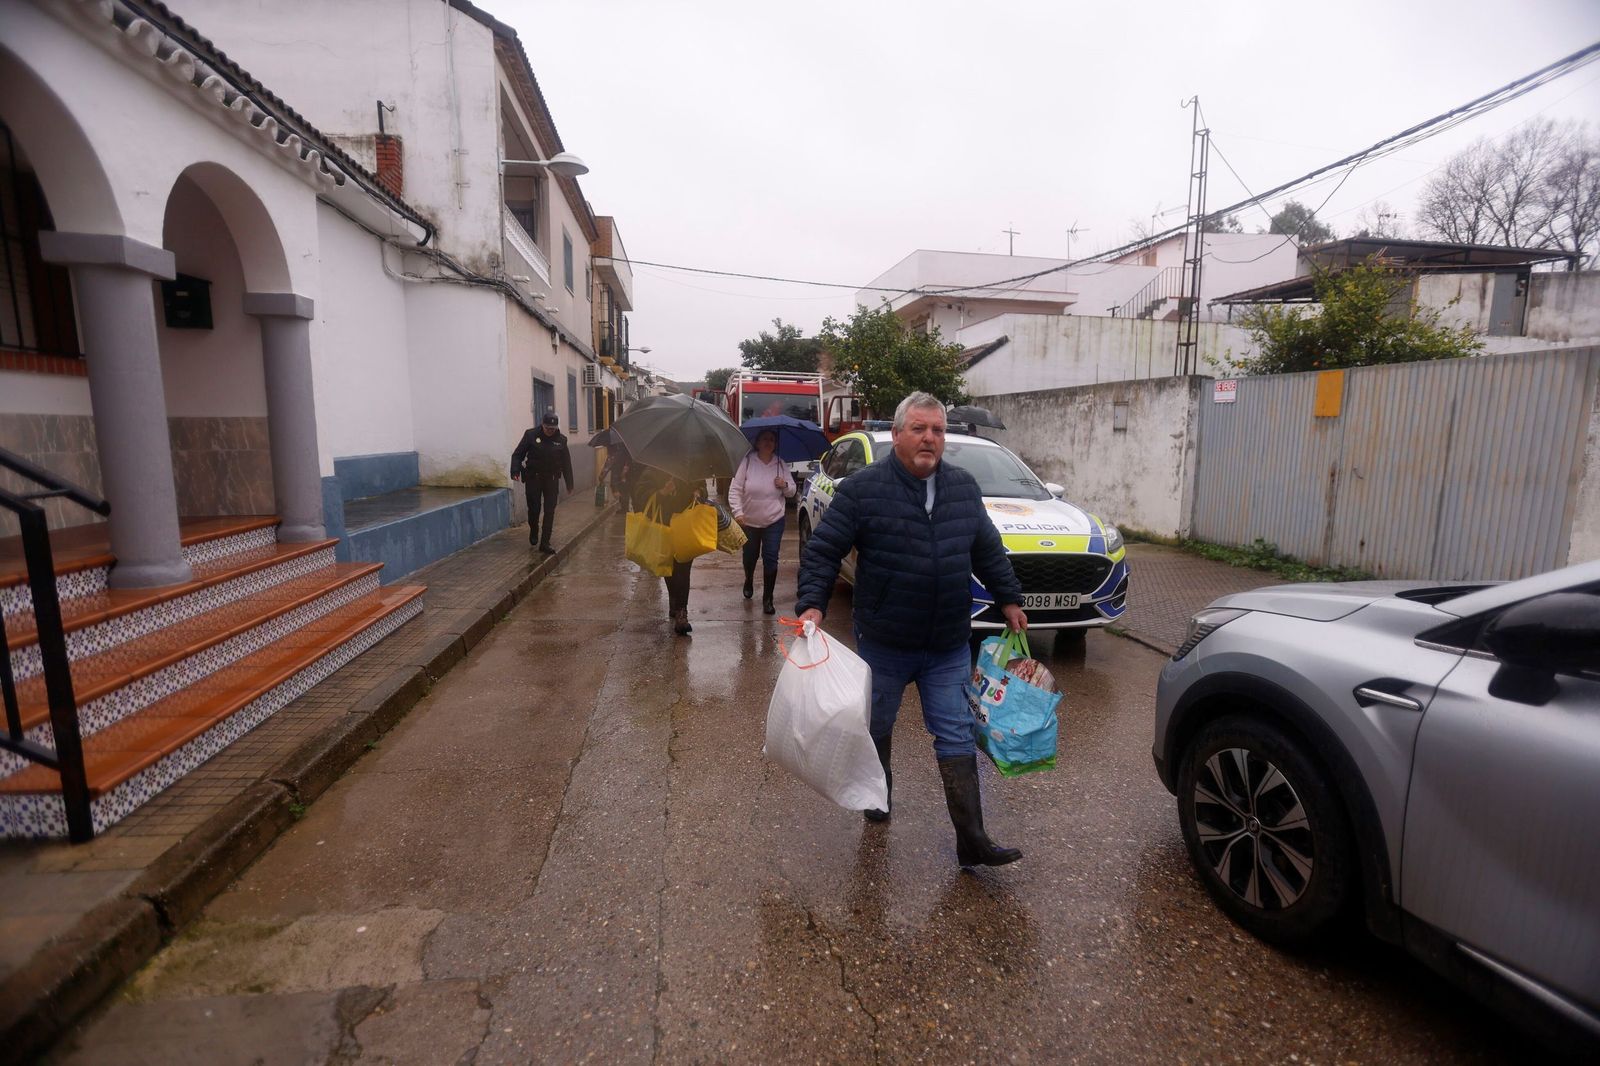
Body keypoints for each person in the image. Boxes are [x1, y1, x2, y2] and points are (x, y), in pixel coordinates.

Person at [795, 392, 1028, 868]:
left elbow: (986, 547)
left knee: (957, 734)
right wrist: (812, 606)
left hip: (946, 643)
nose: (930, 439)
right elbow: (823, 551)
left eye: (938, 431)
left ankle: (972, 838)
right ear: (898, 434)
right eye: (920, 429)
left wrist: (1009, 598)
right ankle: (878, 792)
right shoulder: (863, 490)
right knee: (878, 724)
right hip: (886, 640)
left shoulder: (962, 487)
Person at [729, 428, 796, 616]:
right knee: (750, 556)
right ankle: (748, 578)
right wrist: (738, 512)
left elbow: (791, 492)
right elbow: (735, 489)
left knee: (771, 557)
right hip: (749, 520)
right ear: (757, 443)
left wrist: (784, 485)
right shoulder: (748, 461)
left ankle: (768, 599)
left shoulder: (780, 464)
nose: (769, 442)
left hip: (774, 519)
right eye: (765, 439)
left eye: (772, 440)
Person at [634, 470, 706, 636]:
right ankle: (674, 599)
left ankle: (682, 612)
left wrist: (698, 492)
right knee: (670, 568)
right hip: (663, 526)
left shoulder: (691, 467)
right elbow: (639, 495)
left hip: (686, 525)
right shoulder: (652, 469)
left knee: (684, 568)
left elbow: (702, 488)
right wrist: (662, 492)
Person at [510, 412, 574, 554]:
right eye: (547, 428)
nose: (550, 431)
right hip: (534, 479)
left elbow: (566, 463)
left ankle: (545, 543)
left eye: (553, 428)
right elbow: (517, 454)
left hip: (551, 480)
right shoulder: (530, 435)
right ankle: (534, 530)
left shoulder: (561, 440)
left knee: (550, 511)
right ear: (542, 425)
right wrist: (515, 471)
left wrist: (570, 484)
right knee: (534, 509)